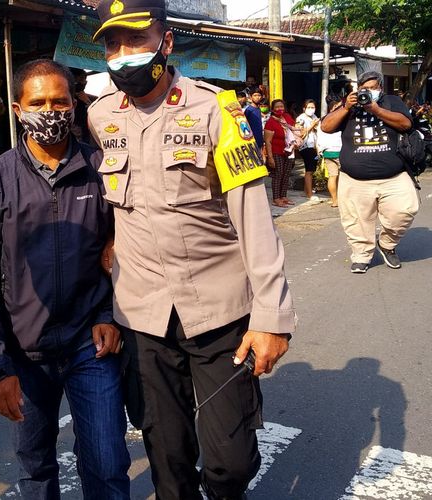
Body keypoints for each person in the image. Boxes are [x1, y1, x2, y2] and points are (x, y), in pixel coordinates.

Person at [88, 1, 297, 498]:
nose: (123, 56)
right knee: (167, 457)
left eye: (135, 41)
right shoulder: (100, 117)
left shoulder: (216, 110)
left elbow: (253, 217)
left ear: (166, 42)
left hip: (219, 312)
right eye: (112, 46)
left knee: (230, 463)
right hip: (143, 317)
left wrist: (272, 316)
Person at [0, 59, 130, 499]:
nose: (50, 111)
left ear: (74, 105)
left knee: (108, 462)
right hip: (24, 354)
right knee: (36, 469)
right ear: (18, 109)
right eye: (38, 102)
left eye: (60, 101)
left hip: (89, 344)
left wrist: (108, 313)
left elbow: (124, 250)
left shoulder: (101, 169)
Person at [320, 70, 419, 273]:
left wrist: (376, 110)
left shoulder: (391, 101)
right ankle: (361, 255)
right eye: (364, 89)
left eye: (373, 88)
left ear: (380, 88)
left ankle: (387, 244)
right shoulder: (348, 104)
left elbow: (406, 124)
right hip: (354, 178)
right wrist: (347, 106)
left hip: (394, 176)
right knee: (356, 221)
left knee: (405, 210)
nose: (368, 92)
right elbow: (326, 126)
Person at [264, 98, 298, 207]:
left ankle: (283, 196)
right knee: (278, 175)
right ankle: (276, 198)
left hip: (289, 151)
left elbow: (294, 130)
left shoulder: (287, 117)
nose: (280, 109)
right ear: (273, 109)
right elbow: (268, 142)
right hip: (276, 152)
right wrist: (270, 157)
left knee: (286, 174)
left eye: (281, 106)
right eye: (277, 107)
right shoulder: (270, 122)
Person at [317, 94, 344, 207]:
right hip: (340, 151)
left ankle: (334, 201)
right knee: (343, 177)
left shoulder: (323, 119)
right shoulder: (341, 118)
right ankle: (343, 200)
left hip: (327, 152)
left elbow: (319, 137)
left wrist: (320, 151)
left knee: (333, 176)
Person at [296, 99, 321, 200]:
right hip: (305, 146)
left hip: (313, 146)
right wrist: (312, 126)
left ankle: (307, 191)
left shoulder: (314, 117)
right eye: (309, 107)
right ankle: (310, 194)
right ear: (304, 108)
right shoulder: (301, 118)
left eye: (313, 107)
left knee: (311, 169)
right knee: (309, 170)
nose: (311, 109)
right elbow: (300, 134)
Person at [71, 67, 97, 144]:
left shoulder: (92, 99)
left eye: (84, 79)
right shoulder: (65, 99)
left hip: (88, 137)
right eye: (81, 79)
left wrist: (87, 102)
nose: (84, 82)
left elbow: (98, 116)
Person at [244, 86, 265, 154]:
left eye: (259, 95)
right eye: (255, 95)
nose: (257, 97)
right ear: (250, 97)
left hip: (259, 140)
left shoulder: (259, 109)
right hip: (251, 141)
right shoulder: (248, 110)